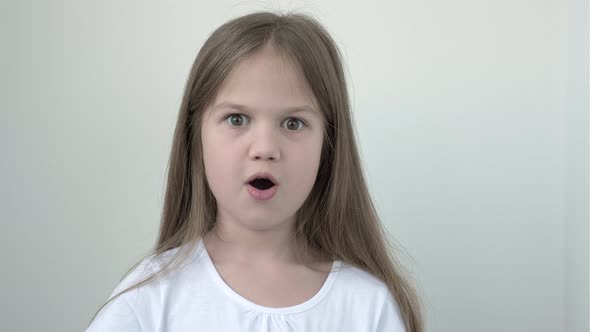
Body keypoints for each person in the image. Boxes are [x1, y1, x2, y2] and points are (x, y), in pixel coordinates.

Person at [86, 10, 424, 332]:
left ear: (329, 142)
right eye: (237, 119)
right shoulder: (150, 298)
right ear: (195, 134)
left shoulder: (367, 305)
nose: (264, 149)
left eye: (293, 123)